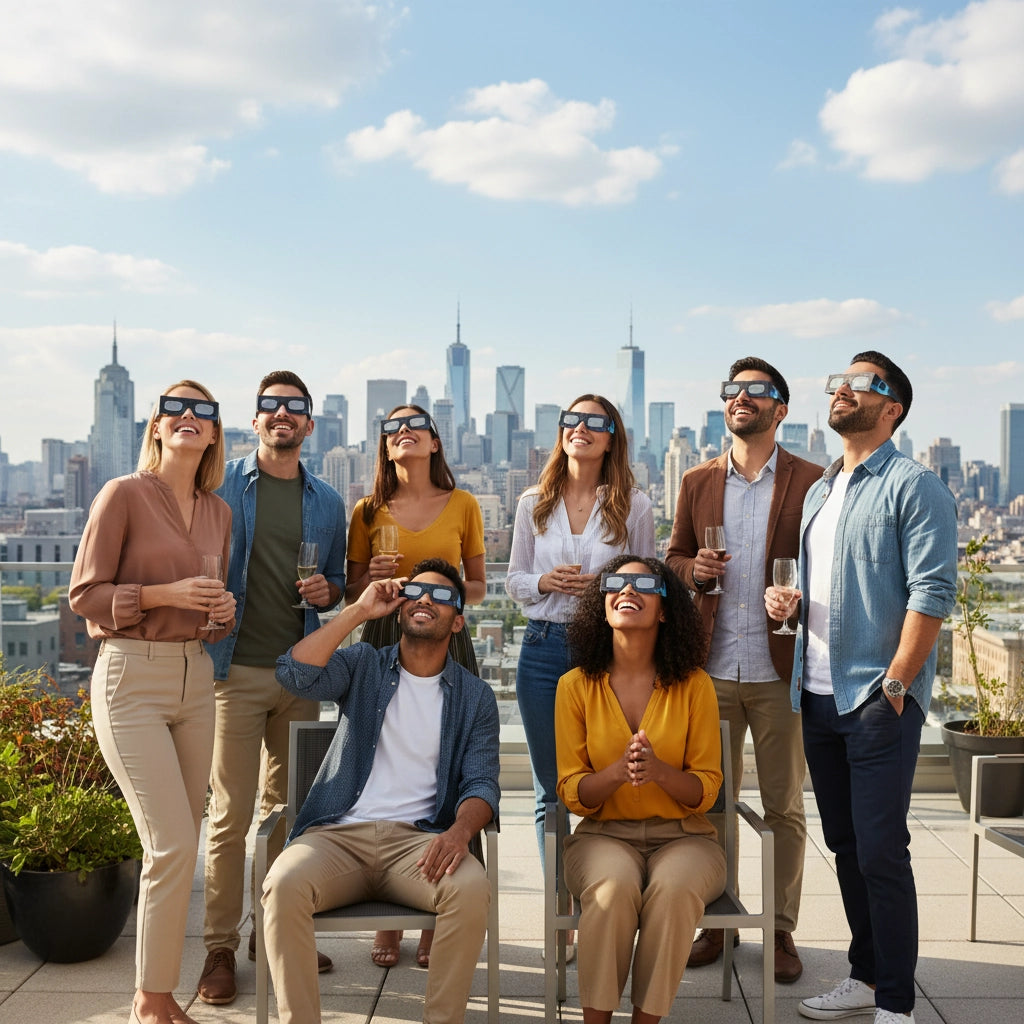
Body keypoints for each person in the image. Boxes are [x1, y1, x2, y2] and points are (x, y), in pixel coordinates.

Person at [765, 352, 957, 1024]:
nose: (842, 390)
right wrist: (790, 609)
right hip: (815, 695)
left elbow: (933, 591)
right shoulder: (821, 490)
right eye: (837, 382)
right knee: (846, 846)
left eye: (861, 383)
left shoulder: (914, 486)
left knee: (881, 850)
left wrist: (898, 682)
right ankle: (867, 974)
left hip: (877, 698)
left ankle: (898, 1006)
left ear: (892, 407)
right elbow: (831, 590)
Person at [262, 558, 500, 1024]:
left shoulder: (475, 697)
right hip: (338, 837)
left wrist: (458, 833)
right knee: (283, 883)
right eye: (416, 592)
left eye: (442, 596)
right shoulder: (364, 665)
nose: (426, 600)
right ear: (400, 607)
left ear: (458, 621)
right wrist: (356, 612)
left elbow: (482, 783)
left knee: (470, 889)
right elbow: (293, 673)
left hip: (418, 843)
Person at [69, 381, 236, 1024]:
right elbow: (86, 595)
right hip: (131, 680)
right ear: (157, 427)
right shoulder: (123, 494)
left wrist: (220, 610)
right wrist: (167, 595)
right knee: (169, 843)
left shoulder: (219, 511)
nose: (190, 417)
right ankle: (153, 999)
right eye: (177, 408)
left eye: (203, 411)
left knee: (183, 842)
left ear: (216, 433)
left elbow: (211, 607)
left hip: (198, 681)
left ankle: (156, 994)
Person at [666, 356, 823, 982]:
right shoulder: (696, 480)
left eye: (757, 392)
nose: (742, 399)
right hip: (710, 669)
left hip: (782, 669)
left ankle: (781, 931)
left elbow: (827, 565)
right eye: (733, 391)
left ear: (780, 409)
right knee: (710, 803)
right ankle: (717, 921)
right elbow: (672, 558)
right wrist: (692, 570)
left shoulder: (814, 480)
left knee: (784, 806)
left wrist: (801, 598)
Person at [199, 370, 347, 1005]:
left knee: (291, 813)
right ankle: (219, 949)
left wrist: (329, 592)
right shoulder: (223, 484)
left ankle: (278, 932)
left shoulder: (329, 502)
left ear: (309, 425)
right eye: (270, 407)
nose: (281, 415)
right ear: (254, 420)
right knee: (232, 816)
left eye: (294, 408)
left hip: (299, 673)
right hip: (233, 672)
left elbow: (338, 581)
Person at [556, 555, 726, 1024]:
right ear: (603, 604)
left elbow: (706, 791)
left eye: (643, 585)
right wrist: (616, 773)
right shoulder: (574, 686)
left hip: (686, 838)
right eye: (617, 582)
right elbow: (572, 792)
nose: (627, 590)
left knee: (673, 892)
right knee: (611, 890)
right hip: (602, 837)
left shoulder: (696, 686)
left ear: (665, 609)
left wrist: (658, 771)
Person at [345, 402, 485, 968]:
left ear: (434, 442)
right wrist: (372, 580)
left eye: (415, 428)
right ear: (384, 445)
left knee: (449, 763)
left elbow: (477, 585)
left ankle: (435, 915)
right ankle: (390, 923)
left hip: (448, 640)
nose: (403, 434)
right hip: (381, 635)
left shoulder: (466, 504)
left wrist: (442, 595)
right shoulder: (366, 510)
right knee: (381, 761)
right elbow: (349, 583)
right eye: (392, 429)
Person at [506, 394, 655, 863]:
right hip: (542, 648)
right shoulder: (533, 502)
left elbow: (651, 582)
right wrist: (544, 581)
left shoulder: (636, 506)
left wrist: (610, 587)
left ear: (612, 438)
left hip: (607, 652)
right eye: (573, 419)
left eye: (595, 421)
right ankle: (560, 911)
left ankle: (605, 894)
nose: (581, 427)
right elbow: (513, 579)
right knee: (549, 790)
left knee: (609, 778)